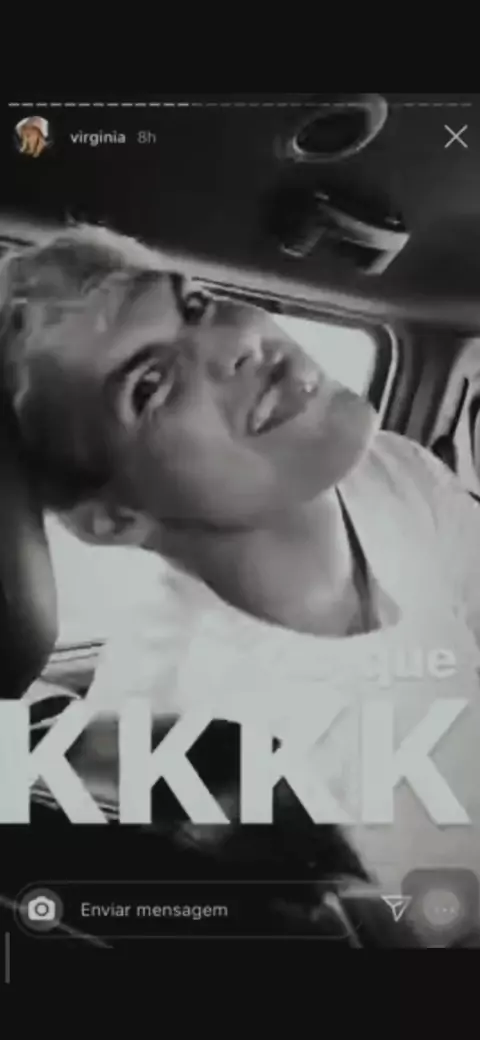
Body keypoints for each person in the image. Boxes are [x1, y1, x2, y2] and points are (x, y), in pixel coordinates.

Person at [1, 224, 480, 938]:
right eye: (150, 385)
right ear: (114, 518)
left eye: (195, 306)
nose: (236, 343)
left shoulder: (393, 473)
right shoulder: (187, 757)